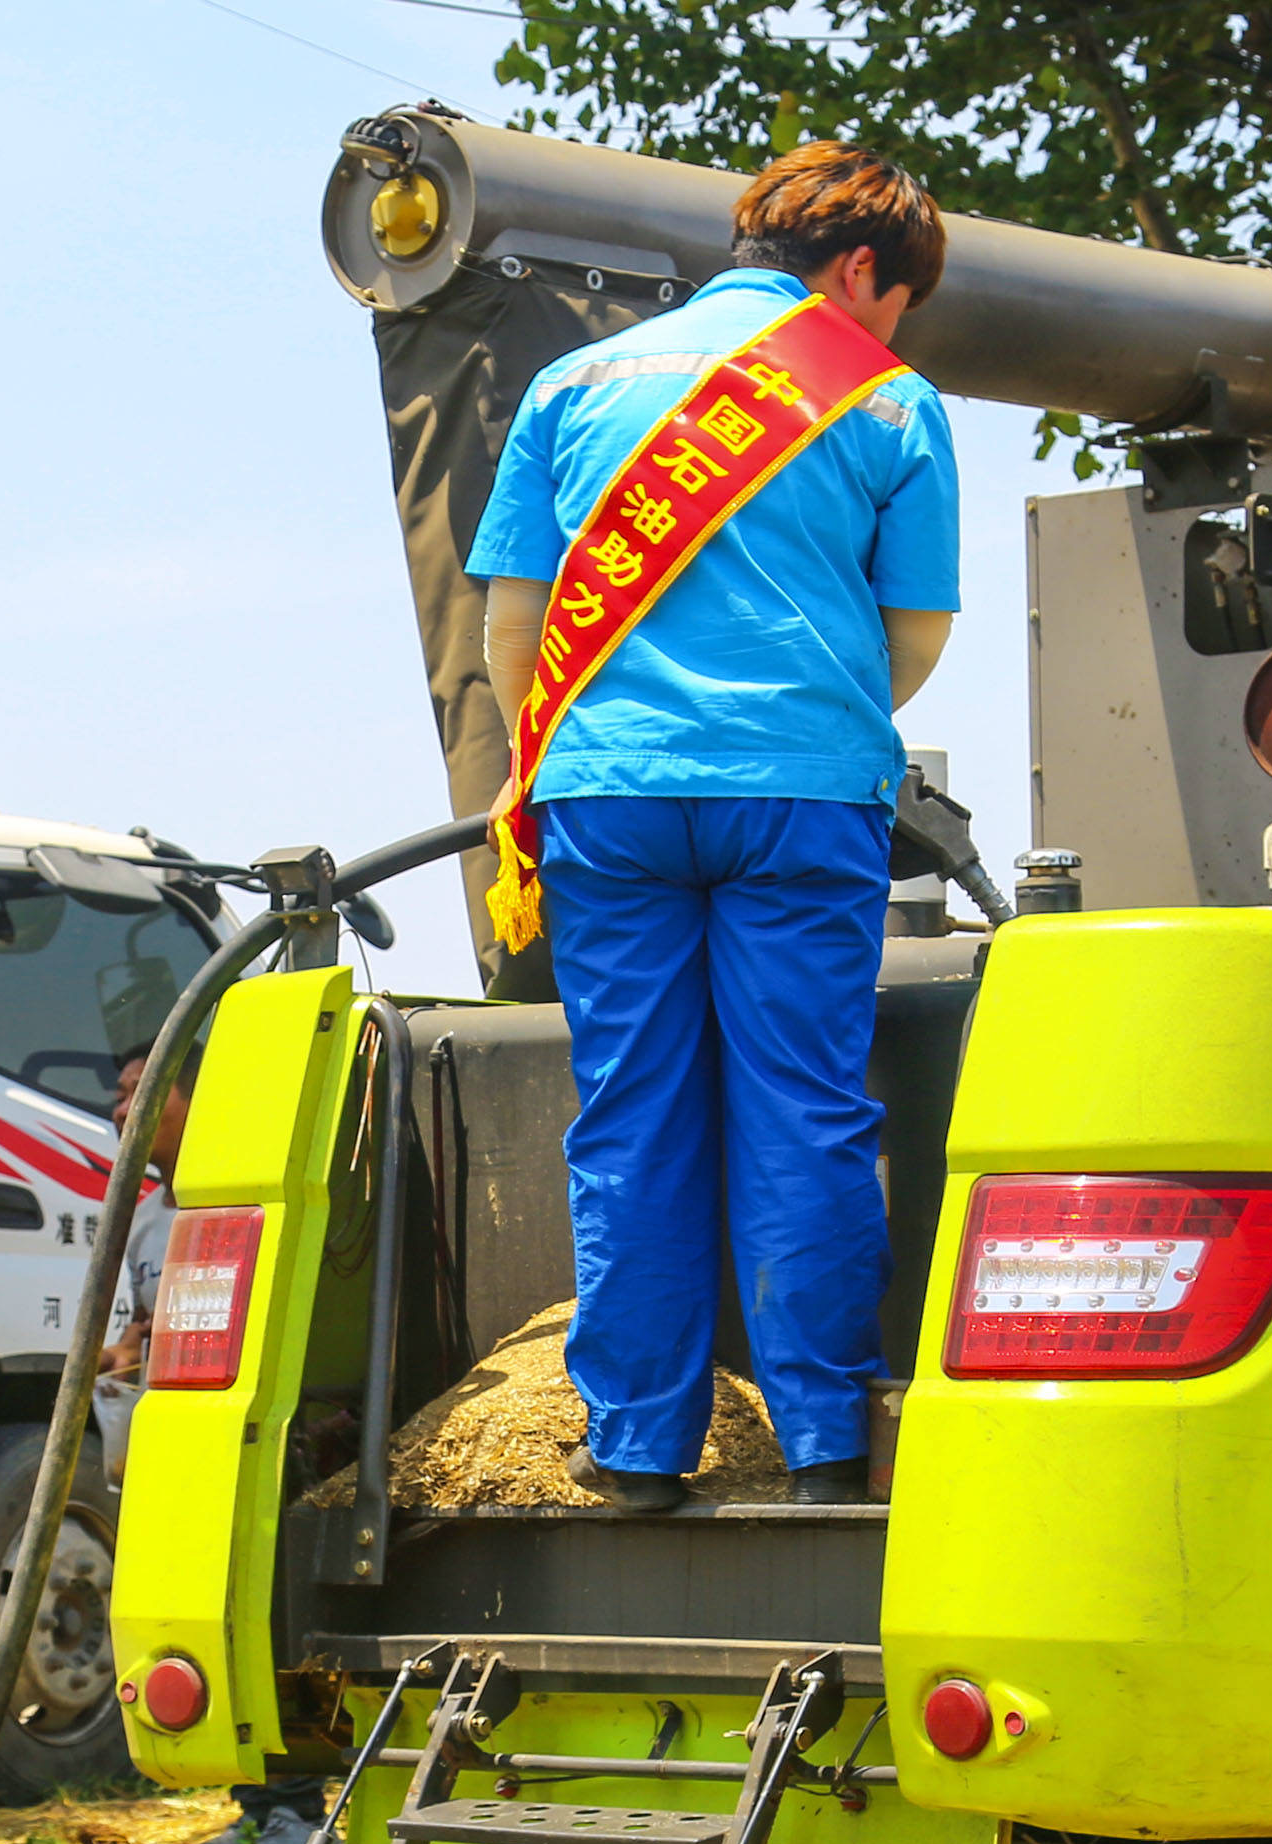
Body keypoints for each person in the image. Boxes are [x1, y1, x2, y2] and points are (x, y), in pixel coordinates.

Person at [465, 141, 960, 1515]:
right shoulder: (892, 402)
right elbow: (910, 640)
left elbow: (515, 628)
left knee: (630, 1117)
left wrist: (568, 749)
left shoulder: (570, 385)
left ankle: (634, 1447)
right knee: (804, 1111)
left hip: (605, 794)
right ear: (861, 271)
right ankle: (816, 1448)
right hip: (801, 797)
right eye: (895, 298)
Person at [95, 1041, 324, 1844]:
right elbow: (151, 1317)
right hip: (173, 1452)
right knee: (199, 1626)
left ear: (195, 1099)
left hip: (244, 1453)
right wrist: (128, 1345)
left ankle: (294, 1809)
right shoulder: (152, 1214)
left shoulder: (243, 1198)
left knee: (260, 1618)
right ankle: (258, 1810)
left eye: (138, 1092)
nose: (121, 1111)